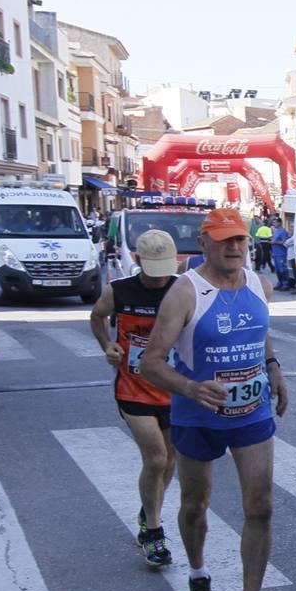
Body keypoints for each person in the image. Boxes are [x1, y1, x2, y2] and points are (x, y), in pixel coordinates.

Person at [141, 208, 289, 591]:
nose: (235, 247)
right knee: (195, 505)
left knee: (260, 507)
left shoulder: (261, 285)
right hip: (197, 417)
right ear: (203, 243)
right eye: (225, 240)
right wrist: (189, 387)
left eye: (241, 240)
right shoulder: (186, 293)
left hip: (252, 414)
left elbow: (259, 332)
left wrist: (273, 366)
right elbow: (150, 361)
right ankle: (199, 574)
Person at [89, 229, 180, 567]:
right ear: (139, 261)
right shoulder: (120, 290)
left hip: (174, 389)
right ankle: (152, 532)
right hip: (133, 387)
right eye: (153, 268)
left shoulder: (182, 288)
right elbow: (97, 316)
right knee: (155, 458)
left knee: (170, 461)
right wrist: (107, 345)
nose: (160, 278)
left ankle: (149, 508)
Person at [270, 217, 291, 291]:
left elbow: (284, 242)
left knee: (282, 269)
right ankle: (280, 283)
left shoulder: (283, 231)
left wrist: (274, 242)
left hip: (281, 253)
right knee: (278, 270)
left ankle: (286, 284)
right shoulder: (276, 231)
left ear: (279, 223)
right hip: (275, 253)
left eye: (275, 222)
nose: (273, 224)